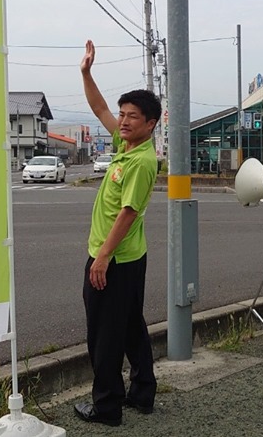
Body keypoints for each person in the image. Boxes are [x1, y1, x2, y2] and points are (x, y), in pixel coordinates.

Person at [73, 39, 161, 427]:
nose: (123, 121)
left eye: (133, 116)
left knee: (104, 338)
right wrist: (87, 72)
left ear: (151, 123)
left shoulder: (141, 161)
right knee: (129, 328)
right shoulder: (126, 145)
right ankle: (143, 393)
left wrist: (102, 257)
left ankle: (107, 407)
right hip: (129, 258)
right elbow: (99, 108)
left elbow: (127, 213)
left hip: (115, 258)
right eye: (123, 114)